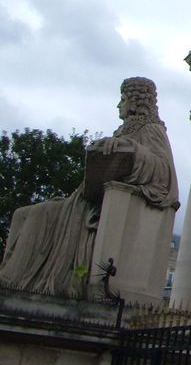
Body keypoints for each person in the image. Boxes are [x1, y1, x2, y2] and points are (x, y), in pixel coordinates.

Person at [0, 77, 178, 298]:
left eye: (122, 99)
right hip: (86, 200)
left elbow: (163, 171)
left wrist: (129, 147)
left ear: (133, 102)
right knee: (21, 215)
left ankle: (14, 279)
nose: (118, 105)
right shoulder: (125, 129)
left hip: (95, 206)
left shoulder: (151, 129)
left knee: (37, 216)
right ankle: (11, 275)